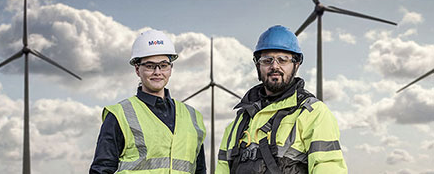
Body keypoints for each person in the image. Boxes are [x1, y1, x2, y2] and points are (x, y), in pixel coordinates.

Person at [216, 25, 347, 174]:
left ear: (296, 64)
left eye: (283, 59)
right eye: (267, 60)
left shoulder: (313, 113)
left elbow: (328, 167)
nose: (274, 66)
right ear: (258, 65)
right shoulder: (239, 122)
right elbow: (222, 168)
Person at [90, 29, 207, 174]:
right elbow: (102, 169)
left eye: (163, 65)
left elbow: (200, 169)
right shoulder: (119, 115)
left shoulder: (193, 117)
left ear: (171, 69)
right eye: (150, 66)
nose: (157, 72)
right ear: (137, 69)